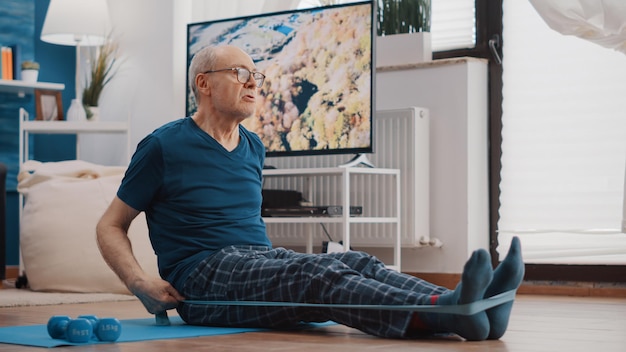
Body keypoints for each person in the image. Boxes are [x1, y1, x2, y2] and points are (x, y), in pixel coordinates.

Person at [96, 45, 524, 341]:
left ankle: (475, 307)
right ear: (204, 84)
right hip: (202, 279)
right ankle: (447, 311)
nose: (253, 83)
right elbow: (111, 225)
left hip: (255, 261)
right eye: (240, 74)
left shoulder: (253, 146)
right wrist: (140, 282)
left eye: (256, 76)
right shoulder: (163, 146)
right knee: (317, 277)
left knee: (355, 261)